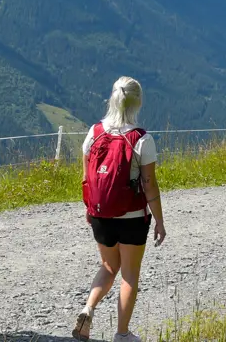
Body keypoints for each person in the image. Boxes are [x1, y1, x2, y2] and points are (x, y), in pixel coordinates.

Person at [73, 77, 167, 342]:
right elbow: (149, 185)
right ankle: (122, 334)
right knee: (129, 275)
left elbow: (86, 178)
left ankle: (88, 308)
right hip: (132, 218)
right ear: (137, 101)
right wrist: (159, 221)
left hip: (101, 213)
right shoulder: (141, 139)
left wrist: (89, 207)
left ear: (112, 99)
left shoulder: (94, 132)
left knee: (107, 265)